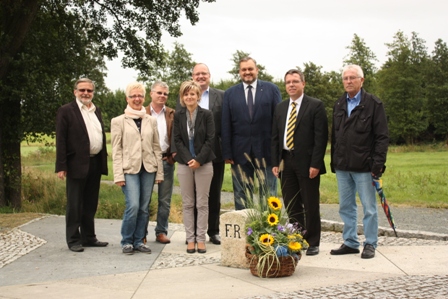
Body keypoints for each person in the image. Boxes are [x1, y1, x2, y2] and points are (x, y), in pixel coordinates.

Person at [330, 64, 389, 259]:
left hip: (365, 166)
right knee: (345, 207)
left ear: (361, 80)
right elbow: (335, 136)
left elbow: (382, 137)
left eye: (352, 78)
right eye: (345, 78)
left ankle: (370, 243)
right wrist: (334, 161)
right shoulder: (338, 104)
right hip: (343, 166)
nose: (348, 81)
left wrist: (378, 164)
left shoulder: (374, 104)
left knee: (369, 208)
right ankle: (350, 242)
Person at [271, 69, 328, 256]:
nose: (291, 85)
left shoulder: (315, 106)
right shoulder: (280, 108)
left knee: (310, 203)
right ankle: (297, 238)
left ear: (303, 83)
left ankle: (313, 241)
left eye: (295, 81)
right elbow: (275, 137)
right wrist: (274, 161)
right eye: (288, 82)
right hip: (285, 161)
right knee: (291, 202)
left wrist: (316, 164)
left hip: (307, 162)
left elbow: (321, 138)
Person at [56, 78, 109, 252]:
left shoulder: (96, 110)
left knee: (90, 203)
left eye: (89, 90)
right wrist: (61, 165)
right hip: (75, 164)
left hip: (95, 162)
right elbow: (61, 139)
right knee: (75, 204)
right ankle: (73, 240)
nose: (86, 93)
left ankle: (89, 237)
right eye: (82, 90)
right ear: (75, 92)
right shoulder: (66, 111)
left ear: (93, 92)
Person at [222, 57, 281, 210]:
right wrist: (227, 152)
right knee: (241, 194)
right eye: (244, 70)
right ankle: (244, 230)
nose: (247, 72)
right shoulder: (230, 94)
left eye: (250, 69)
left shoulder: (271, 89)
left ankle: (268, 229)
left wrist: (277, 152)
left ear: (257, 70)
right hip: (239, 153)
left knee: (268, 194)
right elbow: (226, 124)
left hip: (266, 152)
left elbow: (278, 122)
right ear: (239, 72)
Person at [111, 82, 163, 255]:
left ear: (144, 97)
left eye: (140, 95)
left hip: (148, 168)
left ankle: (139, 240)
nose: (137, 99)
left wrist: (159, 172)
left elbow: (156, 147)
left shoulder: (151, 120)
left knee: (144, 207)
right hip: (129, 170)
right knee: (132, 205)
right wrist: (118, 174)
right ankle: (127, 240)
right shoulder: (118, 121)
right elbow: (116, 150)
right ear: (127, 98)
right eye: (133, 96)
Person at [173, 80, 215, 254]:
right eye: (186, 94)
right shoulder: (178, 115)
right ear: (182, 97)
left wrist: (198, 160)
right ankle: (190, 239)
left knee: (202, 204)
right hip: (184, 164)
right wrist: (189, 159)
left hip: (204, 164)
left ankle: (201, 239)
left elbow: (210, 140)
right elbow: (177, 140)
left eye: (193, 94)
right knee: (188, 203)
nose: (189, 97)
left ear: (198, 96)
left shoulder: (207, 115)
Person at [191, 63, 225, 245]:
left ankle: (213, 231)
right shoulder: (185, 95)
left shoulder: (221, 96)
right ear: (192, 76)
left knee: (214, 193)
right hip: (192, 155)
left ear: (209, 76)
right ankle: (196, 232)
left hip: (215, 153)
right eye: (197, 74)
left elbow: (226, 125)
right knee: (194, 194)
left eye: (204, 73)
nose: (201, 76)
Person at [146, 81, 175, 244]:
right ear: (151, 94)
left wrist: (172, 158)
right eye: (159, 93)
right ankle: (141, 232)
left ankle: (161, 231)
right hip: (146, 162)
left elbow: (177, 138)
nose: (162, 96)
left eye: (165, 94)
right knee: (145, 199)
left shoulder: (172, 114)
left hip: (166, 161)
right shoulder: (141, 113)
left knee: (165, 199)